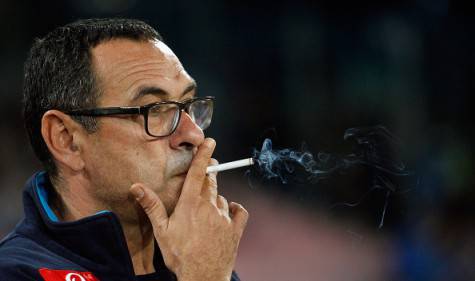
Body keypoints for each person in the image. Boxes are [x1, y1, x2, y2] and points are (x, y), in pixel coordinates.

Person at [0, 18, 248, 281]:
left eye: (188, 104)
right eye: (155, 109)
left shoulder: (194, 258)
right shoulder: (15, 273)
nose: (194, 135)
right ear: (67, 140)